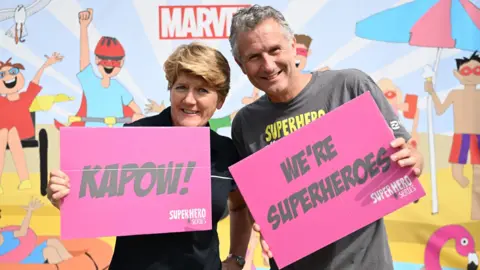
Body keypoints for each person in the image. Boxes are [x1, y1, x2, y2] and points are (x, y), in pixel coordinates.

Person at [228, 5, 424, 270]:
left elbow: (405, 167)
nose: (268, 64)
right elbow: (251, 206)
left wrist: (414, 162)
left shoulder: (350, 86)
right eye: (254, 56)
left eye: (275, 50)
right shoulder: (244, 123)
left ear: (293, 45)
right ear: (241, 65)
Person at [47, 42, 252, 270]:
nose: (190, 100)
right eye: (181, 87)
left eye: (203, 90)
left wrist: (237, 259)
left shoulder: (226, 151)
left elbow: (240, 206)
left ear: (220, 100)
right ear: (170, 90)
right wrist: (63, 197)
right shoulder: (134, 137)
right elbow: (92, 203)